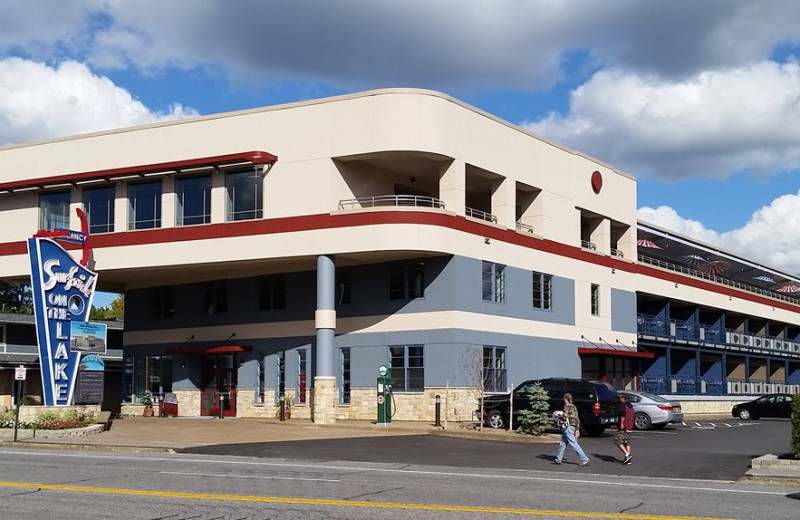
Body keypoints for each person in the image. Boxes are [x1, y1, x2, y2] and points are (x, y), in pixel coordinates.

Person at [552, 393, 590, 466]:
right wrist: (577, 429)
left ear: (566, 399)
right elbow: (577, 418)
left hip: (568, 426)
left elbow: (565, 416)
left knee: (573, 443)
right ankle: (558, 459)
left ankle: (584, 458)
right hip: (573, 425)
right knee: (563, 443)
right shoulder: (574, 407)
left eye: (564, 398)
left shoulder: (566, 406)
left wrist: (558, 415)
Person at [615, 393, 635, 464]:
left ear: (624, 398)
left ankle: (627, 455)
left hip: (624, 427)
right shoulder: (631, 407)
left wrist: (621, 424)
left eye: (620, 398)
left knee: (617, 441)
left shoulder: (622, 406)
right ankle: (628, 460)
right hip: (630, 426)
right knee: (626, 442)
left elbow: (623, 415)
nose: (619, 399)